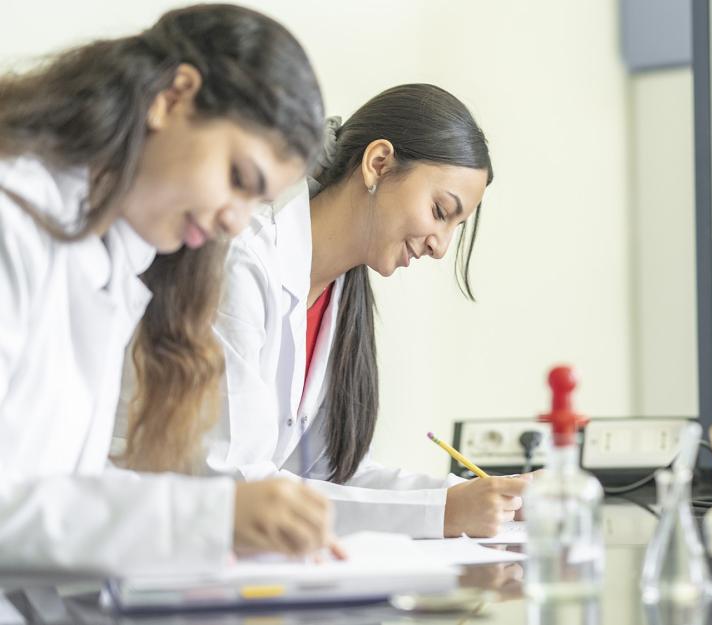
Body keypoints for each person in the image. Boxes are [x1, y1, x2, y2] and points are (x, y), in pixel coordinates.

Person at [0, 4, 336, 574]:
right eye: (239, 179)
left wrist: (214, 525)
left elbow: (53, 489)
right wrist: (207, 518)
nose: (236, 221)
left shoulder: (112, 263)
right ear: (173, 96)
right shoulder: (14, 219)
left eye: (258, 202)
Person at [203, 84, 528, 539]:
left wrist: (487, 499)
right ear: (378, 164)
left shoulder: (341, 293)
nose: (441, 246)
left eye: (455, 227)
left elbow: (332, 475)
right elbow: (232, 484)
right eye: (439, 211)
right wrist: (441, 511)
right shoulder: (243, 262)